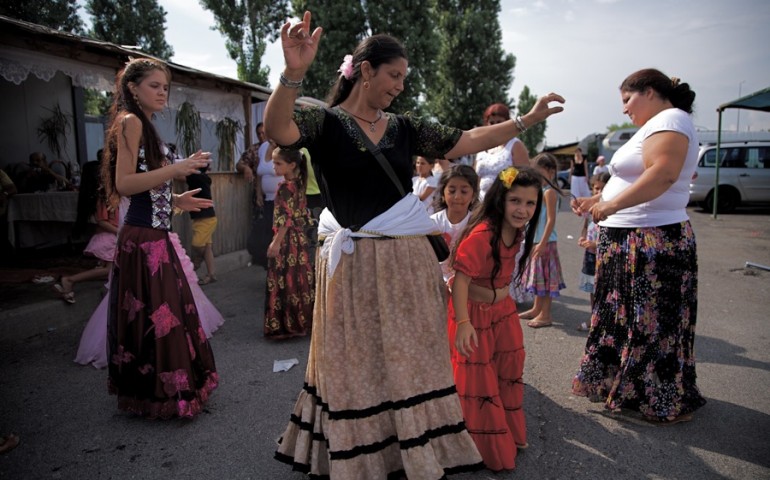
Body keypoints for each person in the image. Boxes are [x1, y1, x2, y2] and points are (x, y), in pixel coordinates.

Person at [264, 11, 564, 478]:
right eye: (394, 75)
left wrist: (525, 120)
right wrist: (293, 73)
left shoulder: (404, 128)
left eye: (404, 77)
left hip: (406, 262)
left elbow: (467, 140)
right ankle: (364, 452)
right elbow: (277, 130)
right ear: (365, 71)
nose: (400, 85)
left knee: (412, 355)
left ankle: (413, 446)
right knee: (355, 358)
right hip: (354, 264)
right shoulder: (322, 122)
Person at [571, 68, 705, 424]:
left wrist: (612, 205)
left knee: (652, 324)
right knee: (627, 319)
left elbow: (662, 173)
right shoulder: (652, 125)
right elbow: (632, 177)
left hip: (652, 240)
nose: (625, 110)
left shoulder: (672, 119)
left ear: (649, 91)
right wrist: (597, 199)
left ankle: (661, 403)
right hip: (630, 237)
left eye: (627, 100)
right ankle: (627, 389)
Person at [100, 57, 218, 419]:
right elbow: (124, 185)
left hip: (155, 236)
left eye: (166, 86)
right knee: (161, 317)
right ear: (133, 88)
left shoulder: (144, 124)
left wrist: (176, 200)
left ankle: (166, 392)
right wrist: (177, 168)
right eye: (155, 85)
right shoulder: (131, 121)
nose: (162, 91)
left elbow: (146, 188)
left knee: (164, 317)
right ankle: (164, 395)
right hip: (143, 239)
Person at [450, 167, 543, 471]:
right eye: (516, 201)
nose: (523, 210)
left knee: (507, 371)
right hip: (473, 315)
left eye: (530, 203)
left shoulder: (517, 231)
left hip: (503, 312)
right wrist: (463, 324)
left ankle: (508, 432)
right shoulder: (483, 234)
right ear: (501, 200)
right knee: (480, 382)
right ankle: (480, 447)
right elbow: (460, 281)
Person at [75, 198, 225, 369]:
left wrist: (174, 200)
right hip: (143, 236)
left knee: (168, 290)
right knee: (143, 291)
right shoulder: (126, 195)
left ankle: (166, 343)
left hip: (159, 231)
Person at [264, 147, 314, 339]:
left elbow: (286, 218)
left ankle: (288, 325)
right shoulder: (299, 183)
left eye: (278, 163)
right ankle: (300, 322)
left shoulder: (286, 187)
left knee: (286, 279)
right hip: (298, 240)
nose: (274, 166)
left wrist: (275, 243)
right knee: (298, 279)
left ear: (292, 165)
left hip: (287, 241)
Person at [53, 159, 117, 304]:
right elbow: (102, 221)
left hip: (112, 236)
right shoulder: (103, 198)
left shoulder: (107, 195)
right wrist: (120, 231)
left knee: (112, 269)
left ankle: (68, 281)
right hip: (110, 237)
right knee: (109, 270)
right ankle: (69, 280)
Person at [519, 153, 565, 328]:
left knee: (546, 281)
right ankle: (536, 308)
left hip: (546, 242)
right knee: (539, 278)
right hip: (537, 240)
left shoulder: (549, 192)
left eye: (540, 174)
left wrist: (543, 242)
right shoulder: (540, 191)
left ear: (551, 172)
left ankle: (545, 314)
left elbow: (551, 220)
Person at [430, 164, 479, 284]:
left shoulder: (476, 224)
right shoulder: (432, 223)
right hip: (437, 282)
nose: (457, 197)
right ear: (442, 194)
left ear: (473, 195)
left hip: (468, 283)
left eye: (464, 191)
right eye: (452, 191)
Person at [474, 103, 531, 201]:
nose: (496, 126)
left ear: (507, 122)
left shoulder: (515, 145)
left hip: (504, 203)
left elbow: (524, 177)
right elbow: (475, 180)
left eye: (499, 122)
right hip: (481, 205)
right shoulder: (481, 148)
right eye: (492, 123)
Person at [576, 172, 610, 331]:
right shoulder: (591, 209)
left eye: (602, 189)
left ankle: (604, 321)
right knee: (593, 289)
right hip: (589, 255)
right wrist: (583, 239)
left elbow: (612, 239)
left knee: (604, 290)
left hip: (604, 256)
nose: (598, 193)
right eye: (596, 189)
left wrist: (595, 244)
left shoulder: (609, 210)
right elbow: (585, 227)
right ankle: (594, 318)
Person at [186, 164, 218, 285]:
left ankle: (196, 261)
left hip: (205, 219)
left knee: (197, 245)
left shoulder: (196, 177)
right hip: (207, 218)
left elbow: (179, 175)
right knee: (207, 247)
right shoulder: (203, 177)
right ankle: (211, 274)